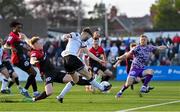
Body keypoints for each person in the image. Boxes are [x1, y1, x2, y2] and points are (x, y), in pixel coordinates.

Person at [25, 37, 92, 102]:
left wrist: (24, 37)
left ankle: (93, 83)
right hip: (47, 74)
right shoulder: (35, 52)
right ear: (35, 45)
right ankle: (34, 99)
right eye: (40, 43)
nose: (42, 44)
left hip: (54, 71)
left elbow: (29, 41)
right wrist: (33, 61)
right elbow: (32, 59)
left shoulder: (39, 49)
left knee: (74, 79)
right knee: (49, 92)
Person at [56, 27, 111, 103]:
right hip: (71, 57)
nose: (88, 39)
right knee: (88, 75)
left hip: (66, 61)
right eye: (88, 37)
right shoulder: (76, 35)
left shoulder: (82, 42)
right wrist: (65, 36)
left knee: (75, 80)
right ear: (85, 33)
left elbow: (88, 53)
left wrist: (99, 60)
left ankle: (60, 96)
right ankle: (102, 88)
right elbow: (66, 35)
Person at [4, 21, 39, 97]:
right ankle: (24, 90)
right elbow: (6, 45)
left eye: (21, 27)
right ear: (14, 28)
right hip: (18, 59)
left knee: (32, 74)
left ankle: (35, 92)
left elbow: (21, 46)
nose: (20, 29)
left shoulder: (19, 36)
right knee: (33, 73)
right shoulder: (12, 36)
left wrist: (27, 49)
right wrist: (11, 48)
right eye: (18, 27)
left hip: (22, 58)